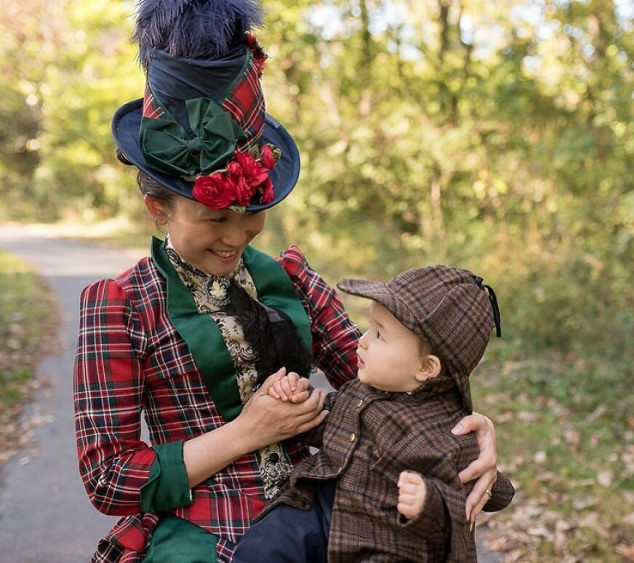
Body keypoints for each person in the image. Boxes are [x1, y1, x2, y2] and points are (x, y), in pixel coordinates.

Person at [73, 1, 503, 561]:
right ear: (158, 208)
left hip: (332, 517)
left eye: (253, 212)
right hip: (204, 532)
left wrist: (475, 431)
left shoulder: (292, 281)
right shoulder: (122, 306)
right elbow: (109, 477)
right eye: (214, 218)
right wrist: (247, 433)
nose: (236, 236)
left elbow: (394, 381)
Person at [233, 265, 514, 562]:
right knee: (267, 542)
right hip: (320, 508)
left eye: (380, 335)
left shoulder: (449, 432)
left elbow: (492, 495)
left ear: (426, 368)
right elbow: (324, 419)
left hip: (381, 537)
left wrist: (428, 501)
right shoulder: (361, 391)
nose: (363, 340)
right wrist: (296, 399)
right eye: (369, 326)